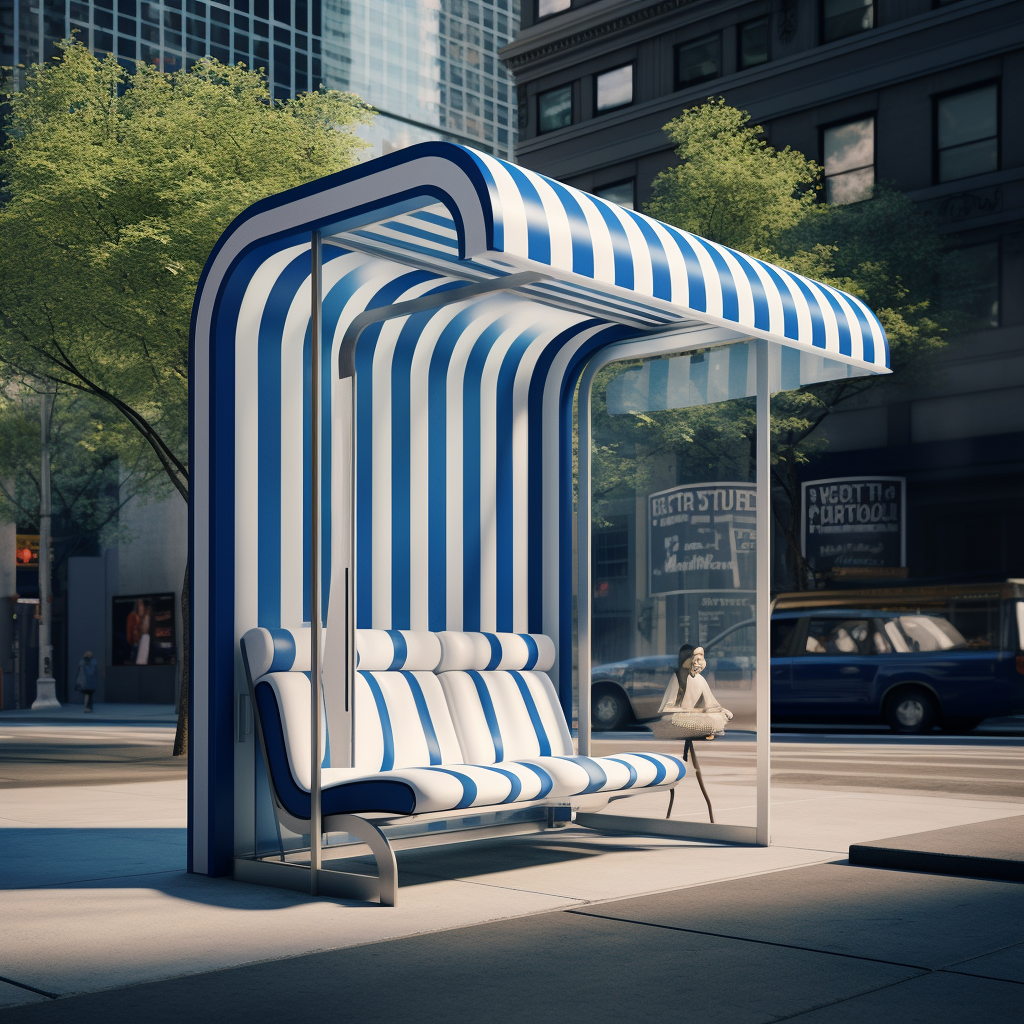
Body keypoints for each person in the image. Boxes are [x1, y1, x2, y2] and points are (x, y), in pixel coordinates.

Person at [661, 643, 733, 738]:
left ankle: (707, 731)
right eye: (695, 658)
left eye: (700, 658)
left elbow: (711, 704)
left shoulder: (700, 679)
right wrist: (696, 711)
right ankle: (705, 731)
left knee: (724, 714)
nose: (697, 662)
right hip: (681, 717)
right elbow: (667, 709)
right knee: (677, 720)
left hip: (697, 715)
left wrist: (717, 709)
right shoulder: (678, 677)